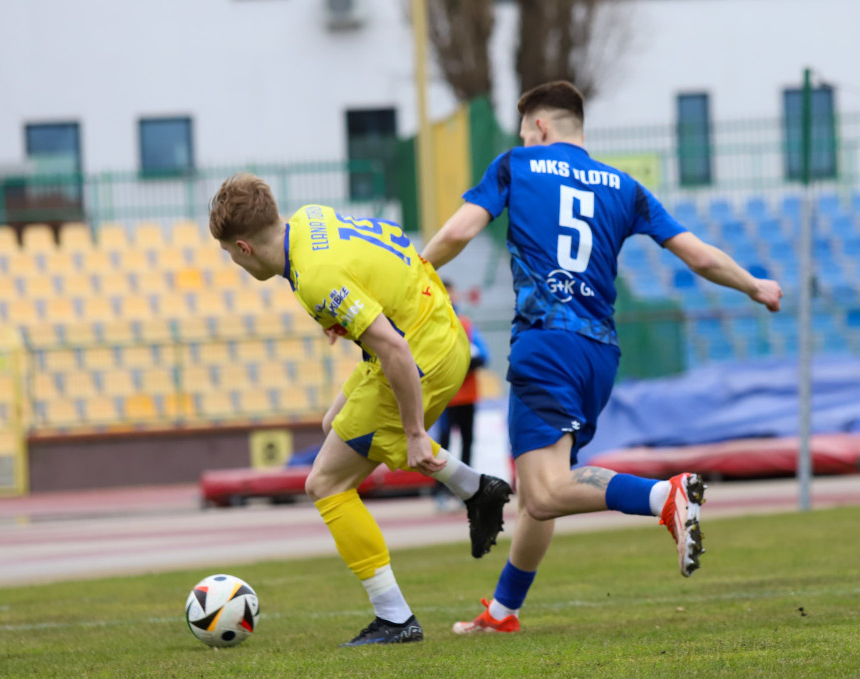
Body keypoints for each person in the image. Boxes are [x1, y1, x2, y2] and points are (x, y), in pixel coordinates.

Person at [420, 81, 783, 635]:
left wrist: (414, 275)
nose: (523, 138)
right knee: (544, 492)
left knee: (542, 490)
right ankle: (503, 611)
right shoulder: (624, 185)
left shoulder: (517, 164)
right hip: (598, 354)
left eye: (525, 131)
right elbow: (699, 256)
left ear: (539, 128)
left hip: (547, 341)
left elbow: (459, 230)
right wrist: (754, 285)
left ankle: (666, 495)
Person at [207, 173, 512, 646]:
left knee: (325, 483)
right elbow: (367, 263)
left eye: (230, 253)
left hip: (418, 352)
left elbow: (392, 348)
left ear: (244, 247)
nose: (233, 261)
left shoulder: (315, 277)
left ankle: (395, 618)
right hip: (438, 325)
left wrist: (414, 431)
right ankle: (476, 489)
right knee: (336, 425)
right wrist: (342, 318)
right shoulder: (308, 222)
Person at [433, 280, 490, 510]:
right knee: (444, 444)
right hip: (445, 397)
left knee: (467, 442)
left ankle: (465, 492)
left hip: (468, 396)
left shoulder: (466, 324)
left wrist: (466, 361)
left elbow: (484, 355)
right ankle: (441, 493)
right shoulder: (435, 325)